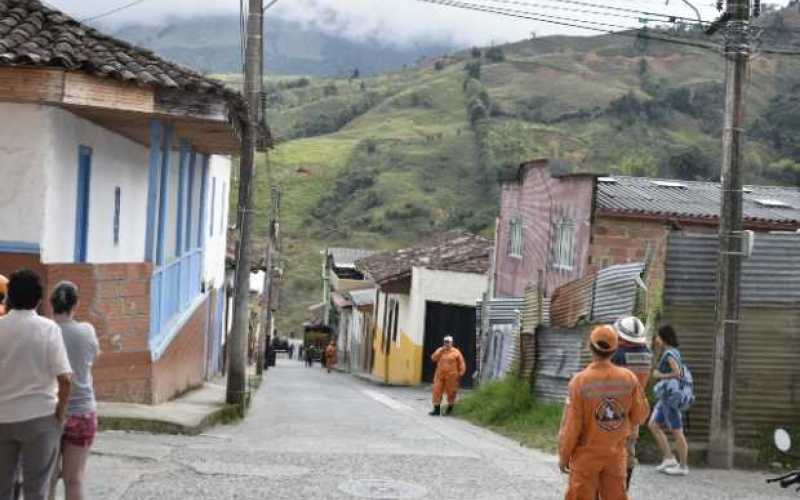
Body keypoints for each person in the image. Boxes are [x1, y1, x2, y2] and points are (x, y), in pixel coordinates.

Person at [0, 270, 72, 500]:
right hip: (40, 417)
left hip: (2, 417)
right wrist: (60, 412)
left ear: (8, 297)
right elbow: (66, 378)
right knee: (36, 490)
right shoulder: (48, 329)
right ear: (39, 299)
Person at [559, 325, 650, 500]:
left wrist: (564, 456)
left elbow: (572, 426)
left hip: (586, 457)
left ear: (590, 347)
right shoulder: (629, 378)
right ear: (615, 349)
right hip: (615, 456)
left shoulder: (579, 382)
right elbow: (640, 415)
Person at [48, 282, 99, 500]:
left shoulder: (46, 331)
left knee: (47, 480)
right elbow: (93, 356)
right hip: (82, 413)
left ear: (51, 304)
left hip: (50, 411)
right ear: (76, 303)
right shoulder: (86, 331)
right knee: (74, 479)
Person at [610, 316, 652, 491]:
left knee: (610, 448)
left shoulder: (618, 355)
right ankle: (623, 489)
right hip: (636, 408)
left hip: (614, 409)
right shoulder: (647, 355)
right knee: (629, 448)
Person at [648, 324, 691, 476]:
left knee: (677, 431)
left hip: (671, 398)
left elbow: (678, 373)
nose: (656, 339)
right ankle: (669, 458)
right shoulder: (671, 352)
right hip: (665, 398)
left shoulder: (670, 354)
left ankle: (683, 466)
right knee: (653, 424)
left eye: (658, 336)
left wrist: (659, 375)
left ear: (664, 337)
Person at [428, 336, 466, 416]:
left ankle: (449, 409)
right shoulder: (440, 350)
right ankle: (436, 410)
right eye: (445, 342)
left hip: (452, 376)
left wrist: (461, 372)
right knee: (436, 391)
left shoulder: (456, 352)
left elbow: (461, 363)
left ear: (452, 343)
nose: (447, 343)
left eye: (448, 342)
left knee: (451, 392)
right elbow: (433, 358)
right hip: (440, 375)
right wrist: (441, 351)